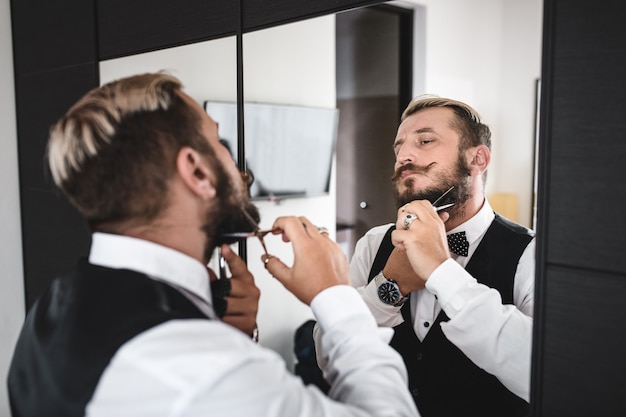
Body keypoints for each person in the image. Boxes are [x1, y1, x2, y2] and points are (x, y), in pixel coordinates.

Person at [6, 72, 420, 417]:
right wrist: (338, 299)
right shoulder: (191, 365)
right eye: (222, 145)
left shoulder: (49, 309)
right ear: (198, 172)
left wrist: (224, 335)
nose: (241, 169)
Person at [316, 96, 535, 417]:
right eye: (398, 148)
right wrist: (389, 286)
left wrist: (442, 271)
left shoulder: (530, 253)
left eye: (426, 140)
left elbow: (542, 374)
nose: (404, 155)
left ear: (478, 159)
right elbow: (326, 355)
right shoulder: (374, 243)